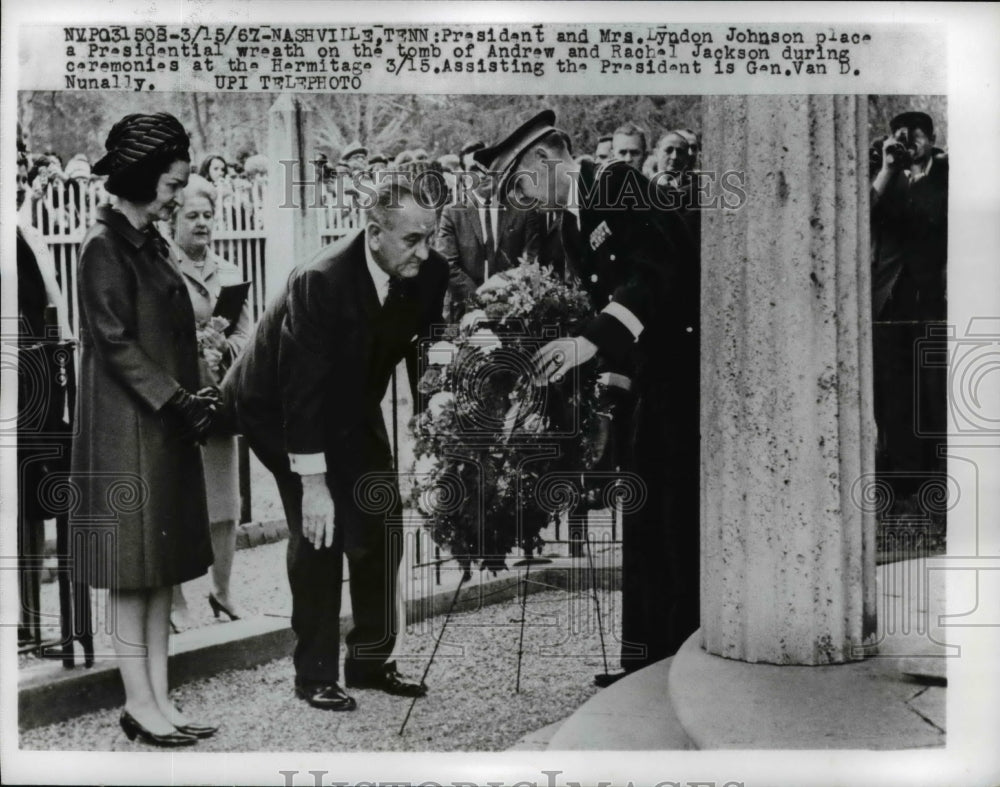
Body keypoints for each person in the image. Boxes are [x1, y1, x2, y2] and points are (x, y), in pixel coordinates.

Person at [475, 110, 700, 680]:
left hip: (685, 376)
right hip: (650, 378)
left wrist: (591, 342)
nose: (521, 199)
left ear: (547, 160)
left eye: (520, 184)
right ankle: (645, 662)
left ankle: (679, 661)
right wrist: (605, 370)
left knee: (673, 522)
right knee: (645, 519)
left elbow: (655, 274)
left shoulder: (616, 184)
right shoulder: (573, 218)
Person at [222, 180, 447, 711]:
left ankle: (370, 662)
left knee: (381, 520)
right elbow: (301, 391)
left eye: (430, 237)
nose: (425, 251)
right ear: (374, 234)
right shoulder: (319, 280)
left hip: (349, 400)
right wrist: (315, 484)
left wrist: (436, 417)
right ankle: (314, 674)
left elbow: (427, 347)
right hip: (278, 407)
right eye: (412, 239)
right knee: (320, 531)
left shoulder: (428, 269)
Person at [71, 112, 220, 746]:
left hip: (160, 423)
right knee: (134, 572)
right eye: (170, 185)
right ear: (139, 177)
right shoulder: (103, 247)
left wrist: (195, 394)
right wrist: (178, 400)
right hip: (128, 427)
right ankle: (138, 701)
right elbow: (113, 343)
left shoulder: (146, 241)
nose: (178, 196)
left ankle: (158, 698)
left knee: (162, 568)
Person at [167, 174, 253, 627]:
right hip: (178, 402)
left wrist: (228, 348)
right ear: (173, 219)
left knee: (225, 506)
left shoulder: (231, 271)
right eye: (192, 216)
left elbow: (247, 334)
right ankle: (176, 599)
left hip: (218, 400)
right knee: (179, 502)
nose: (202, 224)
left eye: (208, 215)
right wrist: (191, 346)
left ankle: (221, 591)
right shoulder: (161, 268)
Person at [870, 110, 948, 500]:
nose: (908, 141)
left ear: (932, 139)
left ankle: (941, 481)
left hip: (933, 299)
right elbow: (860, 214)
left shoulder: (949, 174)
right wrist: (887, 169)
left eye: (916, 135)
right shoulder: (883, 175)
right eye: (901, 135)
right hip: (890, 303)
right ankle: (905, 486)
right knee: (894, 392)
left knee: (934, 391)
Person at [435, 163, 541, 318]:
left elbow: (530, 260)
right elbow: (447, 264)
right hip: (466, 308)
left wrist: (505, 295)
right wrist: (476, 298)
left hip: (513, 306)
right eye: (475, 170)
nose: (484, 175)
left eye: (489, 168)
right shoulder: (453, 213)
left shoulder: (523, 210)